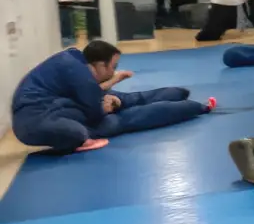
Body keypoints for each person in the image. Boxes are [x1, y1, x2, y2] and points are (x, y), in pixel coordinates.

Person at [10, 39, 213, 154]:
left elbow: (90, 93)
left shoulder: (73, 63)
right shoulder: (77, 70)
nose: (114, 72)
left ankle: (187, 99)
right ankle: (195, 105)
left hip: (54, 109)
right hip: (50, 114)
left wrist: (110, 94)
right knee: (127, 114)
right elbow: (96, 114)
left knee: (127, 102)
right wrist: (108, 104)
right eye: (112, 68)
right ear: (99, 65)